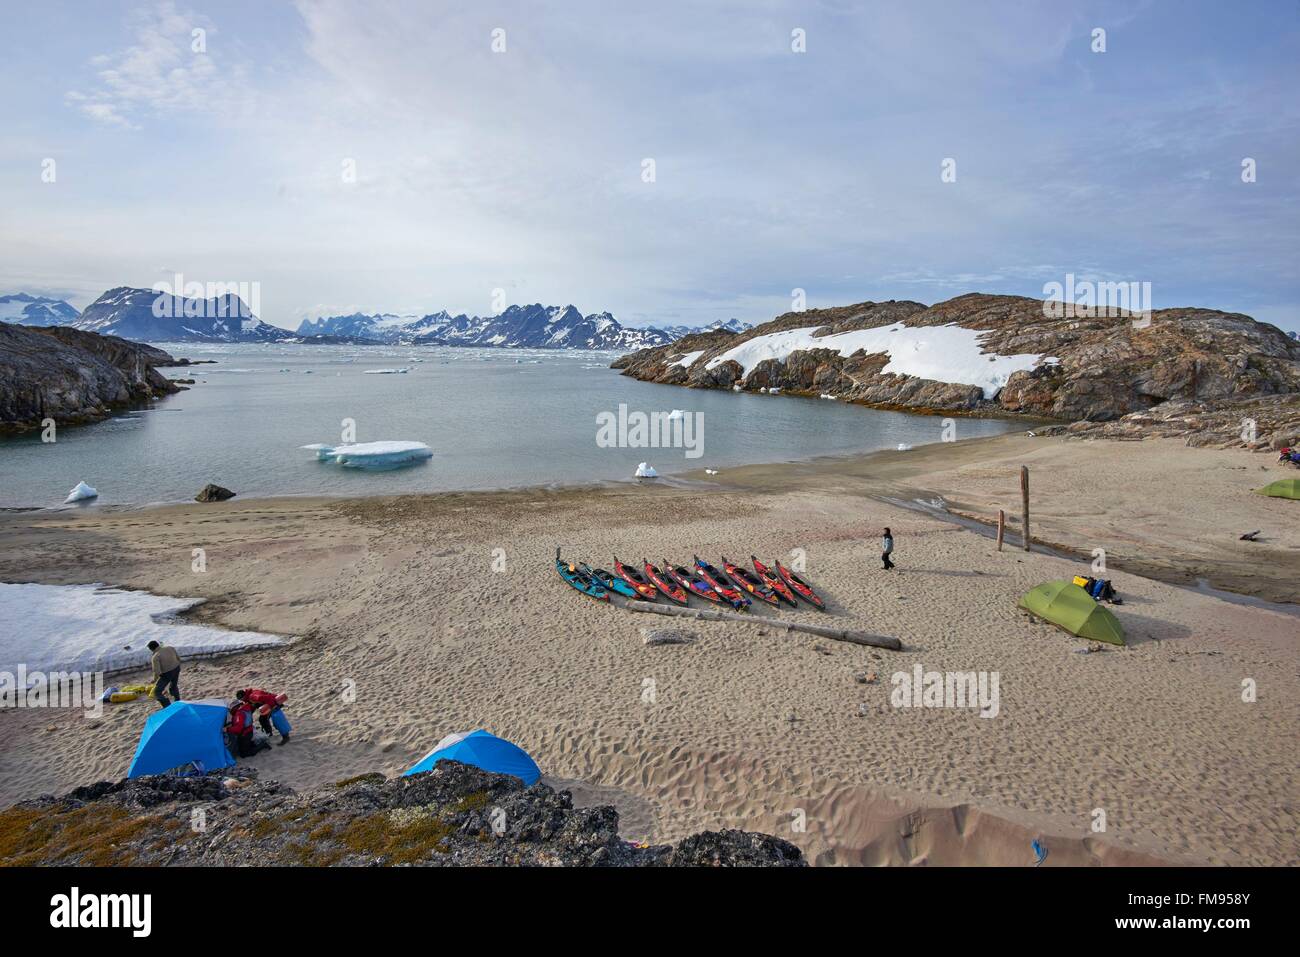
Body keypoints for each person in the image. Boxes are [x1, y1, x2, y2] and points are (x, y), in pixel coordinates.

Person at [147, 640, 182, 708]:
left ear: (151, 649)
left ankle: (167, 706)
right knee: (173, 686)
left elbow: (157, 671)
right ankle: (178, 701)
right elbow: (178, 658)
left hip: (167, 674)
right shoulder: (170, 648)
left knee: (157, 692)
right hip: (177, 668)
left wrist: (154, 680)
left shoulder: (155, 657)